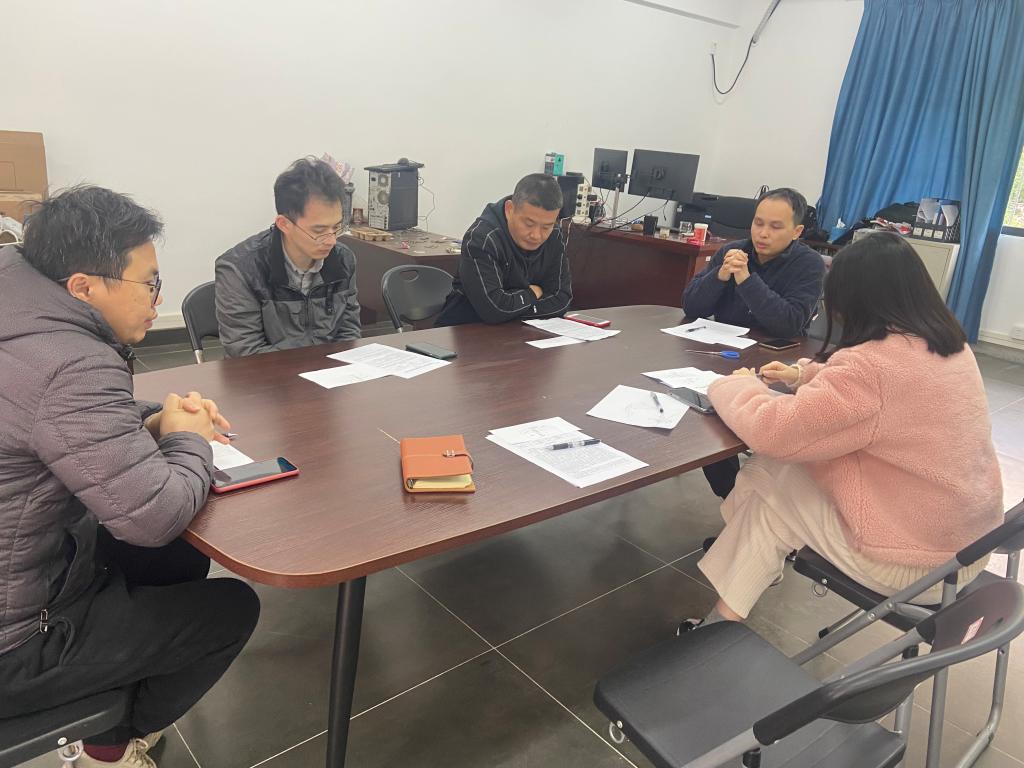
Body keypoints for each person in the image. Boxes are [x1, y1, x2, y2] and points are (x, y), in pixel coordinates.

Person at [0, 186, 260, 768]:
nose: (156, 299)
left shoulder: (19, 311)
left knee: (177, 557)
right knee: (230, 610)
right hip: (16, 644)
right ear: (83, 287)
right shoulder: (69, 362)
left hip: (29, 572)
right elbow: (154, 516)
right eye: (149, 283)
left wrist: (154, 418)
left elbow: (51, 420)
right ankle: (111, 744)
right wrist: (190, 439)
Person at [680, 233, 1003, 632]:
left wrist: (733, 386)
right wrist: (805, 376)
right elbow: (876, 397)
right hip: (968, 545)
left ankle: (719, 623)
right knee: (774, 476)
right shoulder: (948, 344)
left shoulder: (871, 367)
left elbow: (773, 431)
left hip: (915, 563)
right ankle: (751, 569)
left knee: (773, 490)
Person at [683, 188, 827, 499]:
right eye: (758, 223)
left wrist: (746, 279)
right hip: (721, 354)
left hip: (775, 363)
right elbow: (691, 307)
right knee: (701, 408)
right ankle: (734, 495)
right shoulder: (732, 251)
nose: (762, 234)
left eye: (775, 227)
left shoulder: (809, 264)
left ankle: (742, 497)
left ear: (797, 231)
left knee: (722, 414)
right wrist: (720, 275)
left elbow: (789, 323)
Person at [216, 157, 360, 357]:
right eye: (319, 231)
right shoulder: (240, 269)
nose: (331, 241)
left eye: (336, 227)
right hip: (266, 374)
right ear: (284, 224)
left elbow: (349, 334)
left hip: (329, 371)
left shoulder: (342, 259)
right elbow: (246, 353)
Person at [435, 173, 572, 326]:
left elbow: (562, 299)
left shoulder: (554, 236)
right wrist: (533, 293)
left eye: (546, 227)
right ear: (509, 210)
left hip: (522, 330)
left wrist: (512, 307)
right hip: (467, 329)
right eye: (528, 224)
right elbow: (493, 310)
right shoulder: (482, 238)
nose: (536, 235)